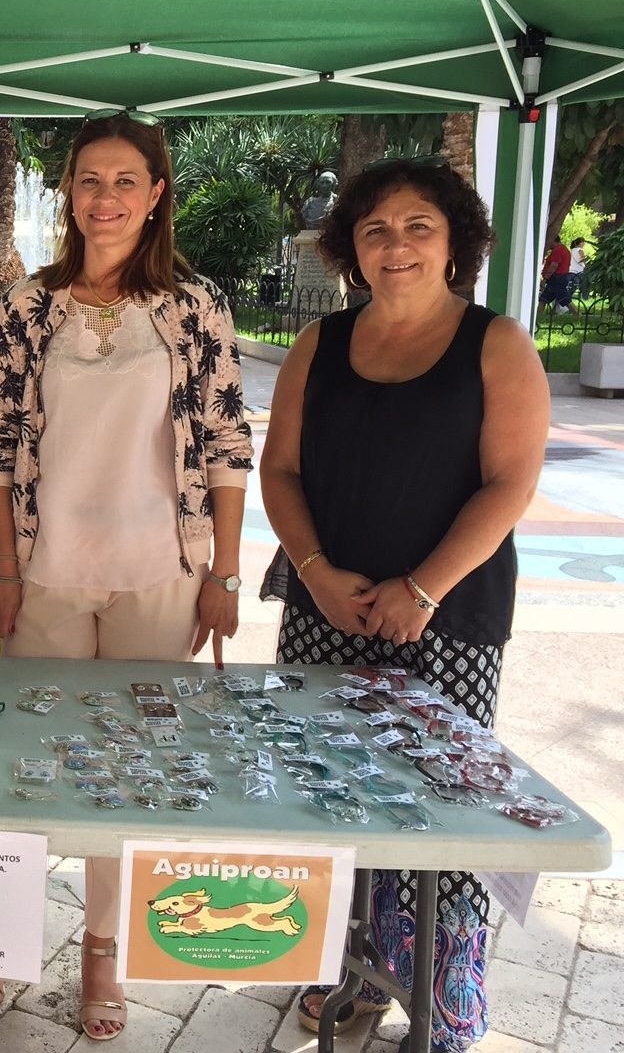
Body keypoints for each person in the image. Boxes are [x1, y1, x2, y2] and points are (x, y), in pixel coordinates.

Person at [0, 112, 253, 1041]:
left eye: (126, 179)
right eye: (89, 179)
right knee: (27, 757)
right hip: (46, 572)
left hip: (159, 574)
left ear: (157, 193)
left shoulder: (195, 306)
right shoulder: (29, 305)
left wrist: (223, 575)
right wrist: (2, 567)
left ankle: (102, 950)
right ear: (69, 194)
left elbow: (227, 444)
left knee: (132, 769)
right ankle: (2, 937)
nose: (106, 197)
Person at [259, 158, 547, 1051]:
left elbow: (510, 484)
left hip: (446, 618)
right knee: (324, 796)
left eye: (419, 225)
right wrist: (312, 570)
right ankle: (341, 972)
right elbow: (280, 470)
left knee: (437, 807)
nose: (397, 245)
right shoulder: (319, 344)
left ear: (455, 241)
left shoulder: (496, 344)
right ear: (352, 248)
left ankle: (443, 1000)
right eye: (376, 229)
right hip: (325, 611)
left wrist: (423, 588)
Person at [539, 235, 571, 311]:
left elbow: (554, 265)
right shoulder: (564, 249)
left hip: (557, 278)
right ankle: (538, 313)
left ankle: (577, 314)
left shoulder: (558, 250)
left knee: (564, 299)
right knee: (544, 298)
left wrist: (545, 278)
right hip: (561, 277)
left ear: (553, 240)